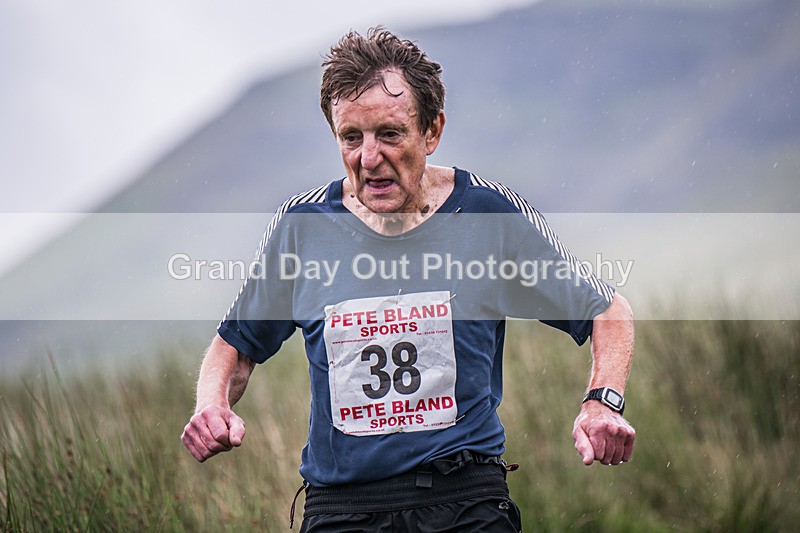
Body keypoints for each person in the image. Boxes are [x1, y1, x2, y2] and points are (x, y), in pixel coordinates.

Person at [181, 27, 635, 532]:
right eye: (351, 137)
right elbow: (236, 346)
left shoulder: (485, 216)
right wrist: (211, 405)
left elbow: (605, 311)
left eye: (389, 134)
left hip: (465, 501)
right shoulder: (304, 227)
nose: (368, 158)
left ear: (432, 131)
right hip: (342, 510)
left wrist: (602, 403)